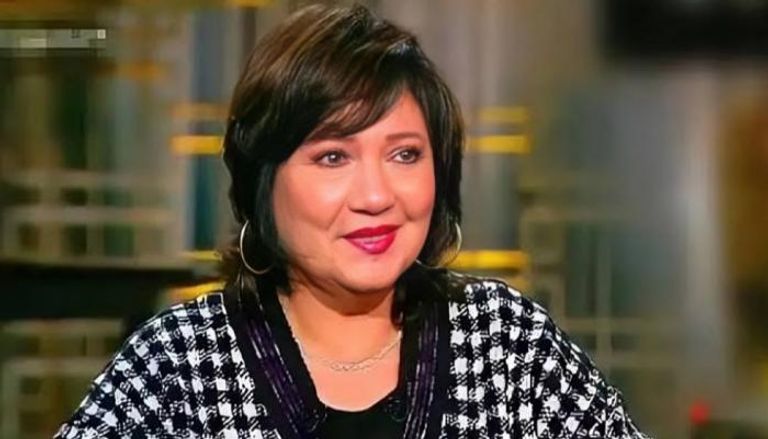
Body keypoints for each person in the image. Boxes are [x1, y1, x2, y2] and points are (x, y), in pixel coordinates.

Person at [56, 4, 649, 438]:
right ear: (263, 180)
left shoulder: (505, 343)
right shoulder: (179, 365)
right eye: (333, 157)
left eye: (405, 155)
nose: (376, 196)